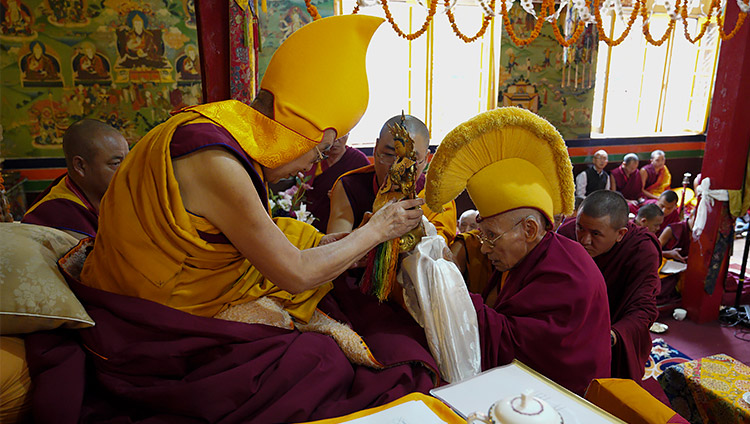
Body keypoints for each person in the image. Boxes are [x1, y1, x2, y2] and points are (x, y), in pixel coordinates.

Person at [28, 16, 442, 424]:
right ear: (296, 132)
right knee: (322, 362)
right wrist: (376, 230)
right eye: (316, 153)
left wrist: (336, 244)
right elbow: (295, 274)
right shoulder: (215, 163)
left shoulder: (218, 123)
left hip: (181, 292)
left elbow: (231, 238)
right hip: (146, 326)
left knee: (349, 310)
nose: (307, 169)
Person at [426, 107, 612, 396]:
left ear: (529, 230)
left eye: (490, 236)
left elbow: (515, 345)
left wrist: (451, 291)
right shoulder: (529, 256)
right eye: (481, 234)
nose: (485, 248)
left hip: (565, 399)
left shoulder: (569, 276)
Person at [557, 190, 660, 384]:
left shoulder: (641, 250)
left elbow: (643, 308)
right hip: (569, 326)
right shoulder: (567, 234)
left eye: (596, 234)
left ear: (621, 233)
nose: (584, 240)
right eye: (581, 228)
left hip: (609, 333)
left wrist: (610, 336)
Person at [327, 114, 457, 245]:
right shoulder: (350, 186)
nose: (397, 169)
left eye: (411, 159)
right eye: (389, 155)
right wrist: (370, 230)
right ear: (376, 149)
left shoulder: (437, 196)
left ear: (425, 160)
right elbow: (334, 252)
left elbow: (437, 254)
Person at [22, 119, 129, 238]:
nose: (126, 170)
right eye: (115, 163)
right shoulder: (60, 220)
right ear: (80, 166)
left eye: (128, 160)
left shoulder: (100, 191)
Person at [302, 132, 369, 233]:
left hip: (344, 224)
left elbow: (367, 196)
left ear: (348, 134)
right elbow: (302, 189)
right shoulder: (315, 157)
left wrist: (343, 196)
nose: (336, 141)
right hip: (310, 222)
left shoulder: (358, 160)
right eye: (334, 137)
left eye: (341, 136)